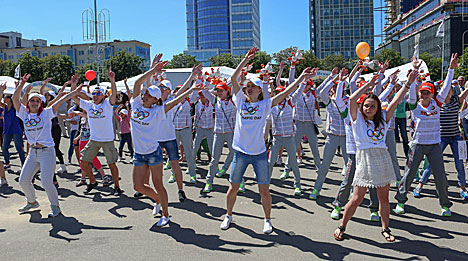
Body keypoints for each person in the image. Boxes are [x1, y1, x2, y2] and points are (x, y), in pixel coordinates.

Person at [219, 47, 316, 234]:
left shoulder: (265, 104)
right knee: (233, 188)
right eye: (247, 86)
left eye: (252, 87)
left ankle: (267, 220)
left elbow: (287, 91)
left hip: (259, 154)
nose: (248, 88)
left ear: (259, 91)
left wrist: (302, 78)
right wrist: (246, 59)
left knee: (264, 190)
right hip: (240, 152)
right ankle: (228, 215)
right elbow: (233, 79)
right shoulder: (239, 101)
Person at [333, 67, 415, 242]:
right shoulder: (357, 119)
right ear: (362, 107)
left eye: (373, 105)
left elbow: (397, 99)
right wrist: (369, 85)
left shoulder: (384, 118)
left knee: (383, 199)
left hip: (382, 159)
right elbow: (353, 99)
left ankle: (386, 229)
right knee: (356, 198)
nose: (369, 108)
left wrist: (408, 83)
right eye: (366, 105)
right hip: (364, 159)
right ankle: (342, 226)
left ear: (378, 108)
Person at [131, 60, 200, 226]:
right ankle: (156, 199)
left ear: (155, 100)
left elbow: (175, 100)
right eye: (145, 93)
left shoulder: (158, 110)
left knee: (159, 184)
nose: (144, 95)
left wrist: (192, 88)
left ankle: (166, 214)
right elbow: (138, 83)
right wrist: (152, 70)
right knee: (138, 187)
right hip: (139, 154)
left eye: (148, 94)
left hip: (153, 153)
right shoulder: (135, 103)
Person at [394, 54, 459, 217]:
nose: (424, 95)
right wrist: (415, 69)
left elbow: (446, 87)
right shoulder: (414, 105)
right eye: (422, 93)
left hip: (434, 145)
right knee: (409, 174)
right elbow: (413, 89)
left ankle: (445, 205)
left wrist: (451, 68)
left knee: (440, 176)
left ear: (432, 94)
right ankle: (400, 201)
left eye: (427, 93)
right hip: (417, 144)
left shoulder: (437, 103)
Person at [13, 73, 82, 217]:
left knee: (46, 182)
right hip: (33, 152)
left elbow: (62, 99)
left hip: (47, 152)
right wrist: (22, 85)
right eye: (32, 101)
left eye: (37, 101)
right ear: (28, 103)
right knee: (23, 180)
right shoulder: (23, 113)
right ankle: (32, 202)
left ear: (41, 103)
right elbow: (15, 99)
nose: (34, 103)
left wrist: (74, 92)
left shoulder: (46, 113)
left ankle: (55, 206)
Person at [331, 66, 380, 221]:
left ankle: (373, 209)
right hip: (353, 154)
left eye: (363, 104)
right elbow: (339, 100)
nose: (361, 107)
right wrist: (340, 82)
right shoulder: (348, 116)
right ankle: (338, 206)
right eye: (358, 104)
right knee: (347, 181)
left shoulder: (372, 118)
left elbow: (381, 99)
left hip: (369, 155)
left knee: (372, 183)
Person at [414, 74, 468, 200]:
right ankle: (420, 185)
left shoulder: (456, 100)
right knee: (432, 164)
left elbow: (466, 92)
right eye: (445, 87)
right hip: (441, 138)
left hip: (455, 137)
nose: (447, 90)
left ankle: (463, 189)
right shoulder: (436, 104)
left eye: (449, 88)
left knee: (459, 164)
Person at [71, 69, 121, 195]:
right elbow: (74, 98)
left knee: (111, 164)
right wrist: (73, 84)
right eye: (94, 93)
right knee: (84, 161)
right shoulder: (89, 105)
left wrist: (112, 81)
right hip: (94, 139)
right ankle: (92, 182)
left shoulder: (108, 105)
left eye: (98, 94)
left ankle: (116, 186)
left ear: (104, 95)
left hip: (107, 139)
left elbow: (114, 94)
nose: (95, 95)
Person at [203, 81, 237, 193]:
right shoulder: (215, 100)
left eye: (221, 90)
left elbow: (239, 90)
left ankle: (238, 180)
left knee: (236, 156)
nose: (219, 92)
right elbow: (204, 91)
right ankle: (209, 181)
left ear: (227, 91)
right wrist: (206, 80)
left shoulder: (234, 100)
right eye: (217, 90)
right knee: (214, 159)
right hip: (218, 133)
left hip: (231, 132)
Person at [0, 83, 25, 169]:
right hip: (7, 130)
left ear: (10, 99)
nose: (4, 99)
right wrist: (1, 91)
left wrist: (17, 87)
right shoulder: (5, 107)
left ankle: (24, 165)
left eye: (6, 98)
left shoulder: (15, 107)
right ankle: (7, 163)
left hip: (16, 130)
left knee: (19, 149)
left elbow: (17, 98)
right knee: (4, 148)